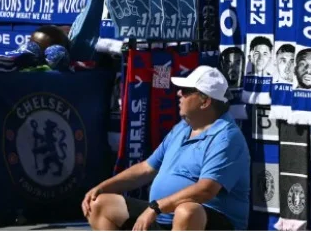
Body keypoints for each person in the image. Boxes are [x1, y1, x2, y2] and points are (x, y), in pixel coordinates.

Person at [82, 66, 249, 230]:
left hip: (210, 221)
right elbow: (146, 168)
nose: (178, 93)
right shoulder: (183, 127)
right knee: (99, 204)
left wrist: (156, 207)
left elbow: (206, 190)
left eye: (186, 91)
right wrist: (102, 187)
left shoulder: (227, 137)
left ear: (205, 101)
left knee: (187, 211)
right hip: (163, 214)